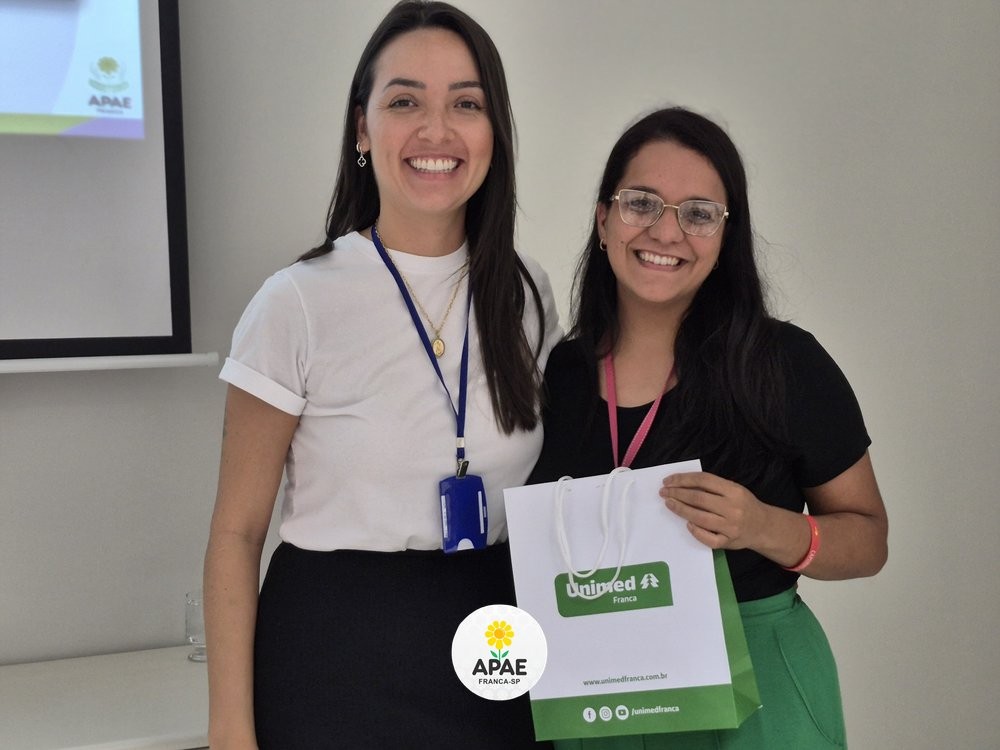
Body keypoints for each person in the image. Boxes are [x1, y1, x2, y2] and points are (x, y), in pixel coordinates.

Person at [203, 2, 560, 748]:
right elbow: (237, 535)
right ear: (362, 129)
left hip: (495, 646)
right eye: (404, 102)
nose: (436, 131)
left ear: (495, 131)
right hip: (336, 658)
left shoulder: (525, 292)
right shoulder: (297, 302)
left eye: (466, 104)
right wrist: (231, 733)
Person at [528, 107, 888, 749]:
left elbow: (869, 540)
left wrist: (763, 526)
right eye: (641, 203)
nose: (666, 231)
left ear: (725, 237)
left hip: (756, 690)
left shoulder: (783, 363)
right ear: (604, 218)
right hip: (601, 687)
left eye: (698, 213)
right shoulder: (560, 373)